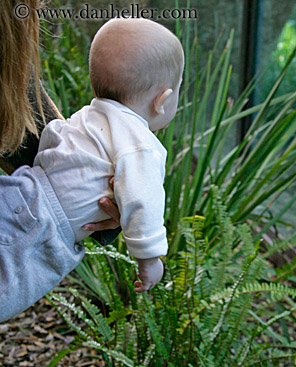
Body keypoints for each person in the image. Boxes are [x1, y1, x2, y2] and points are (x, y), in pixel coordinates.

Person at [0, 14, 184, 321]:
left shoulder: (86, 116)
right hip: (39, 227)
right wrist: (149, 258)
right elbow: (143, 198)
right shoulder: (141, 144)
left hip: (20, 191)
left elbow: (50, 140)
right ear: (162, 101)